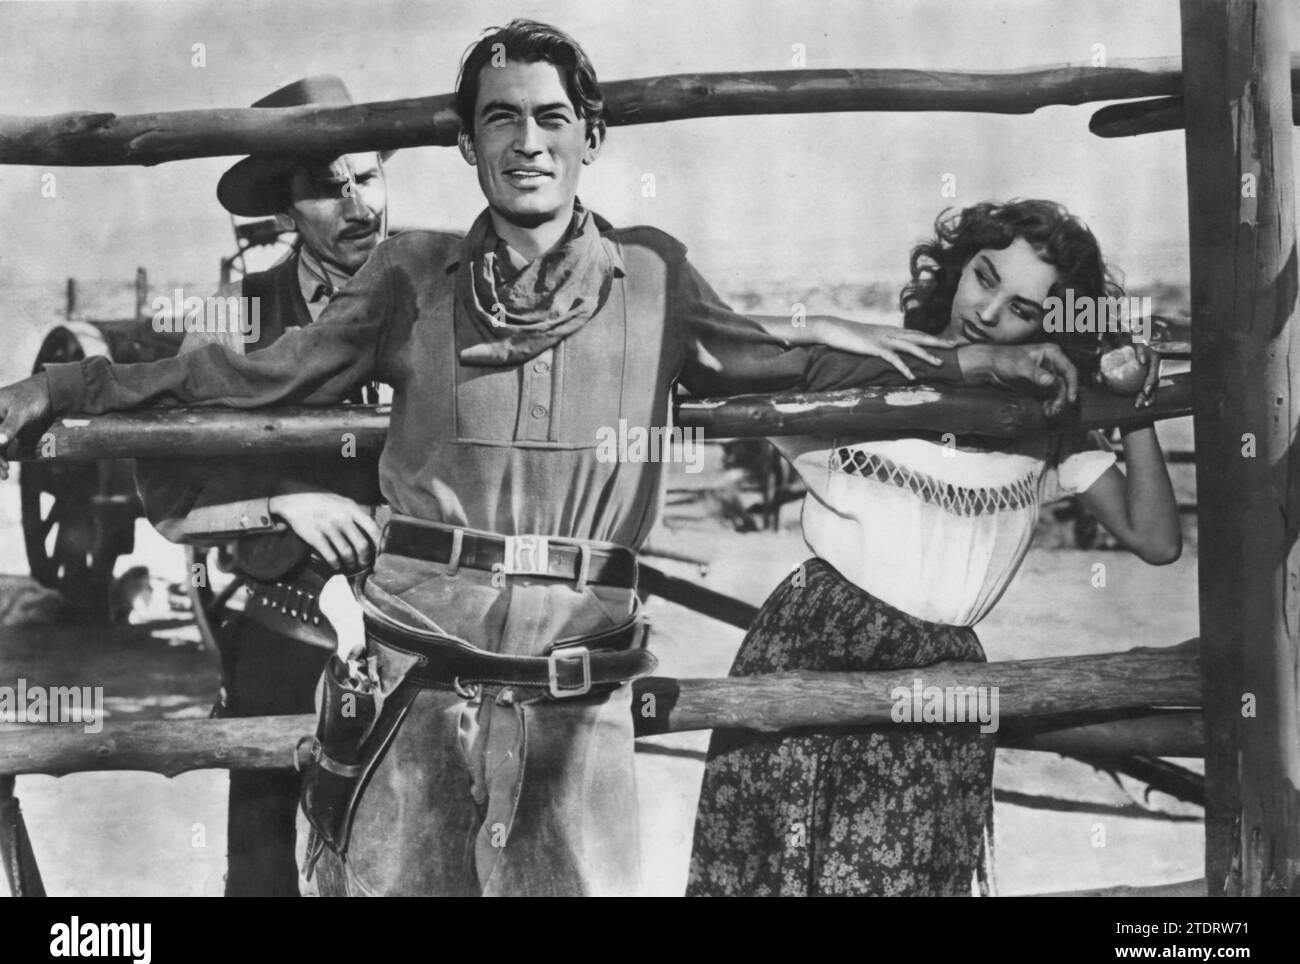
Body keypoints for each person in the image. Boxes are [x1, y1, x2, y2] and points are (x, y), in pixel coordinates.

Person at [0, 24, 1085, 897]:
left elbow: (792, 361)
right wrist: (67, 388)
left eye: (553, 118)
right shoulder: (408, 276)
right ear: (468, 146)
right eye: (499, 119)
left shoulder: (656, 278)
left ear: (592, 137)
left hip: (578, 699)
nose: (528, 141)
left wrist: (1005, 360)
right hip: (416, 679)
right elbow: (246, 381)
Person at [687, 199, 1182, 897]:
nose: (989, 310)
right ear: (955, 266)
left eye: (1024, 309)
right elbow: (725, 356)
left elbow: (1156, 539)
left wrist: (1135, 404)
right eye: (984, 277)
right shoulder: (873, 370)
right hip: (815, 646)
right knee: (775, 877)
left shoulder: (1041, 422)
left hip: (943, 679)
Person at [132, 75, 391, 897]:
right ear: (286, 206)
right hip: (284, 620)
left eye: (368, 177)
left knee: (419, 841)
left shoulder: (435, 294)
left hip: (422, 617)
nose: (357, 205)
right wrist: (280, 500)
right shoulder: (242, 312)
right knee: (259, 856)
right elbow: (162, 459)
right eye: (327, 187)